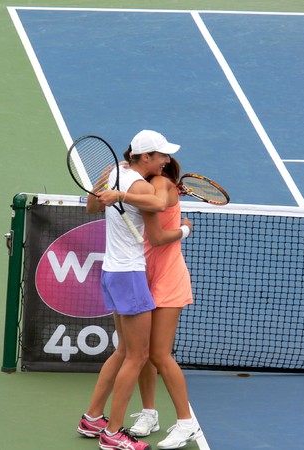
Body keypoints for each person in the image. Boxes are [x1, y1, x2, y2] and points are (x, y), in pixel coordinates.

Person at [80, 130, 181, 450]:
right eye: (161, 155)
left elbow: (91, 208)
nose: (167, 160)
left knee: (124, 351)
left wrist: (105, 186)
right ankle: (113, 433)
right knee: (138, 356)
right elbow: (160, 201)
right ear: (146, 157)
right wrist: (122, 195)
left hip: (112, 271)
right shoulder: (136, 183)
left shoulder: (116, 174)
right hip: (130, 275)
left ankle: (93, 418)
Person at [128, 156, 203, 449]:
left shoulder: (161, 183)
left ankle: (187, 423)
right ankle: (149, 414)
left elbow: (158, 235)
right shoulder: (143, 181)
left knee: (160, 354)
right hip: (143, 274)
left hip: (168, 278)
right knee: (143, 353)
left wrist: (185, 230)